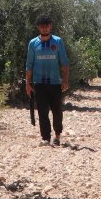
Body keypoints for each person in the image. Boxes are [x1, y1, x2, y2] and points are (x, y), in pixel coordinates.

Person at [25, 15, 70, 146]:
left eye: (47, 26)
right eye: (42, 26)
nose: (45, 29)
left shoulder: (58, 41)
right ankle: (45, 138)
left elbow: (65, 63)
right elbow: (29, 64)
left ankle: (57, 136)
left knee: (57, 110)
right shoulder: (33, 43)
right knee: (42, 111)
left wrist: (65, 80)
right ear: (38, 27)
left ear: (51, 26)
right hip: (39, 83)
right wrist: (28, 83)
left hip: (55, 82)